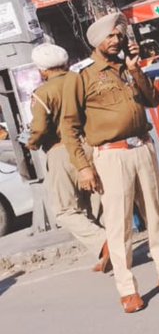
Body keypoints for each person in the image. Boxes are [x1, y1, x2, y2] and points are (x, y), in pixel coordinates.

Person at [61, 13, 159, 314]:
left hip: (142, 147)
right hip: (111, 155)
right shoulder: (82, 77)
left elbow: (152, 100)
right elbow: (69, 128)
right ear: (97, 41)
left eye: (119, 36)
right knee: (119, 224)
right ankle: (127, 290)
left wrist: (135, 69)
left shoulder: (127, 68)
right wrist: (84, 167)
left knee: (156, 213)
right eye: (110, 37)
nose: (116, 41)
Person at [24, 44, 110, 273]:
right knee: (95, 201)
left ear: (42, 70)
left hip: (62, 150)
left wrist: (31, 142)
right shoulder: (81, 80)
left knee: (65, 210)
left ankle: (103, 241)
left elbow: (40, 128)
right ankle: (107, 251)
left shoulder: (42, 93)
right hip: (91, 145)